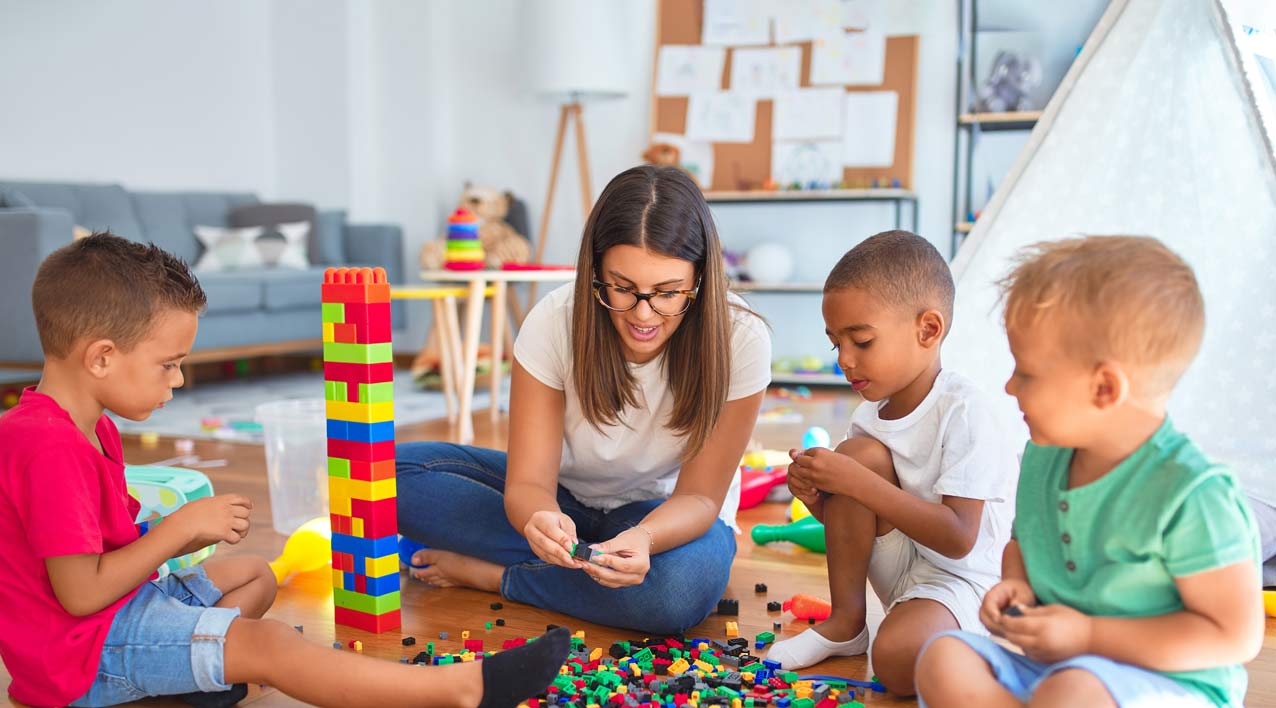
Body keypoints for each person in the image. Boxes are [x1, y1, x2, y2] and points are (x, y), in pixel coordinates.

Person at [0, 233, 569, 708]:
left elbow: (102, 552)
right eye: (168, 365)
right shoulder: (47, 447)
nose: (176, 381)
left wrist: (170, 536)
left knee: (255, 574)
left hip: (116, 614)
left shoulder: (89, 425)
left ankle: (193, 672)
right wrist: (178, 530)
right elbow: (79, 595)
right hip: (80, 652)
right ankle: (460, 689)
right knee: (270, 643)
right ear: (100, 356)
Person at [396, 165, 772, 634]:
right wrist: (540, 518)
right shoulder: (554, 321)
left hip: (663, 516)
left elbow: (698, 497)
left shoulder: (741, 338)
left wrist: (644, 538)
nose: (643, 315)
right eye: (622, 287)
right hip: (565, 502)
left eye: (669, 293)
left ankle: (500, 576)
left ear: (700, 279)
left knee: (673, 596)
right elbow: (530, 482)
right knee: (383, 476)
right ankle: (580, 572)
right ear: (594, 270)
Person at [916, 236, 1264, 708]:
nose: (1009, 385)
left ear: (1103, 388)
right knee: (942, 658)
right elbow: (1022, 543)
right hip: (1058, 669)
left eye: (1027, 374)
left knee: (1073, 693)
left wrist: (1089, 634)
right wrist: (1016, 585)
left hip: (1171, 684)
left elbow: (1234, 636)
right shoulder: (1042, 457)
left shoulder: (1193, 494)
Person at [768, 230, 1019, 695]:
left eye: (861, 341)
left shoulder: (966, 411)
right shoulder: (870, 416)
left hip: (965, 580)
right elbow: (854, 525)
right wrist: (821, 495)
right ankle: (846, 624)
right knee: (857, 456)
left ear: (928, 329)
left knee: (897, 661)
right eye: (835, 344)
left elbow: (959, 538)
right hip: (906, 571)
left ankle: (982, 644)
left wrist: (854, 482)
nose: (844, 359)